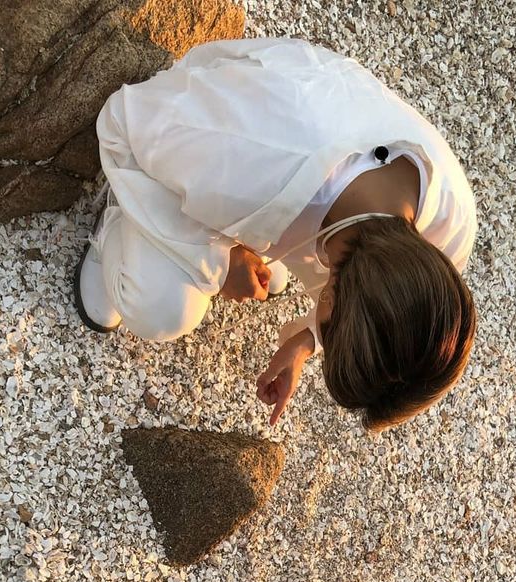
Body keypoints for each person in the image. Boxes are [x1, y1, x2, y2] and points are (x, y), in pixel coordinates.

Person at [73, 37, 478, 431]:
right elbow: (120, 122)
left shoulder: (451, 226)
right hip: (217, 129)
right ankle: (118, 227)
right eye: (329, 338)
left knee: (271, 273)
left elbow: (386, 307)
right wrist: (217, 263)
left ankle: (241, 236)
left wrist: (305, 341)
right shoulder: (250, 160)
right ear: (331, 299)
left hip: (275, 171)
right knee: (162, 310)